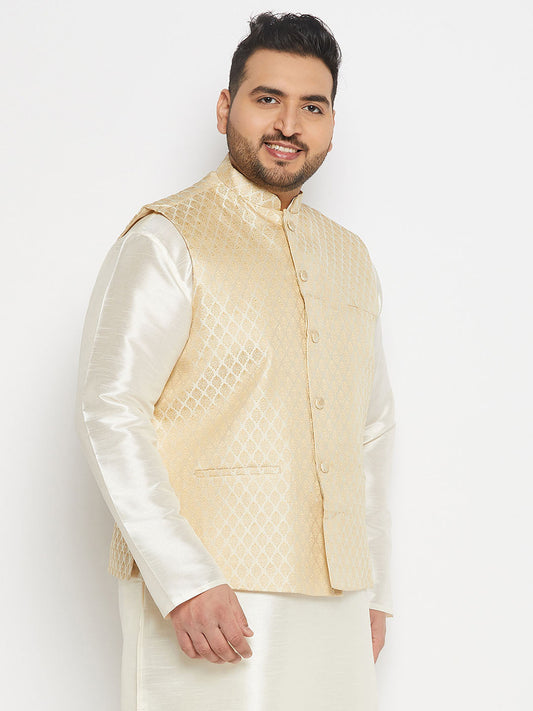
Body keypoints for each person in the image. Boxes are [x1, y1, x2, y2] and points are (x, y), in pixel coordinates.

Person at [75, 11, 396, 711]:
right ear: (226, 108)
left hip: (338, 594)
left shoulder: (350, 257)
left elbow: (370, 431)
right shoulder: (167, 238)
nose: (288, 124)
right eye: (266, 98)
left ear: (331, 125)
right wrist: (182, 577)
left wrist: (374, 589)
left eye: (312, 106)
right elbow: (111, 408)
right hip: (210, 593)